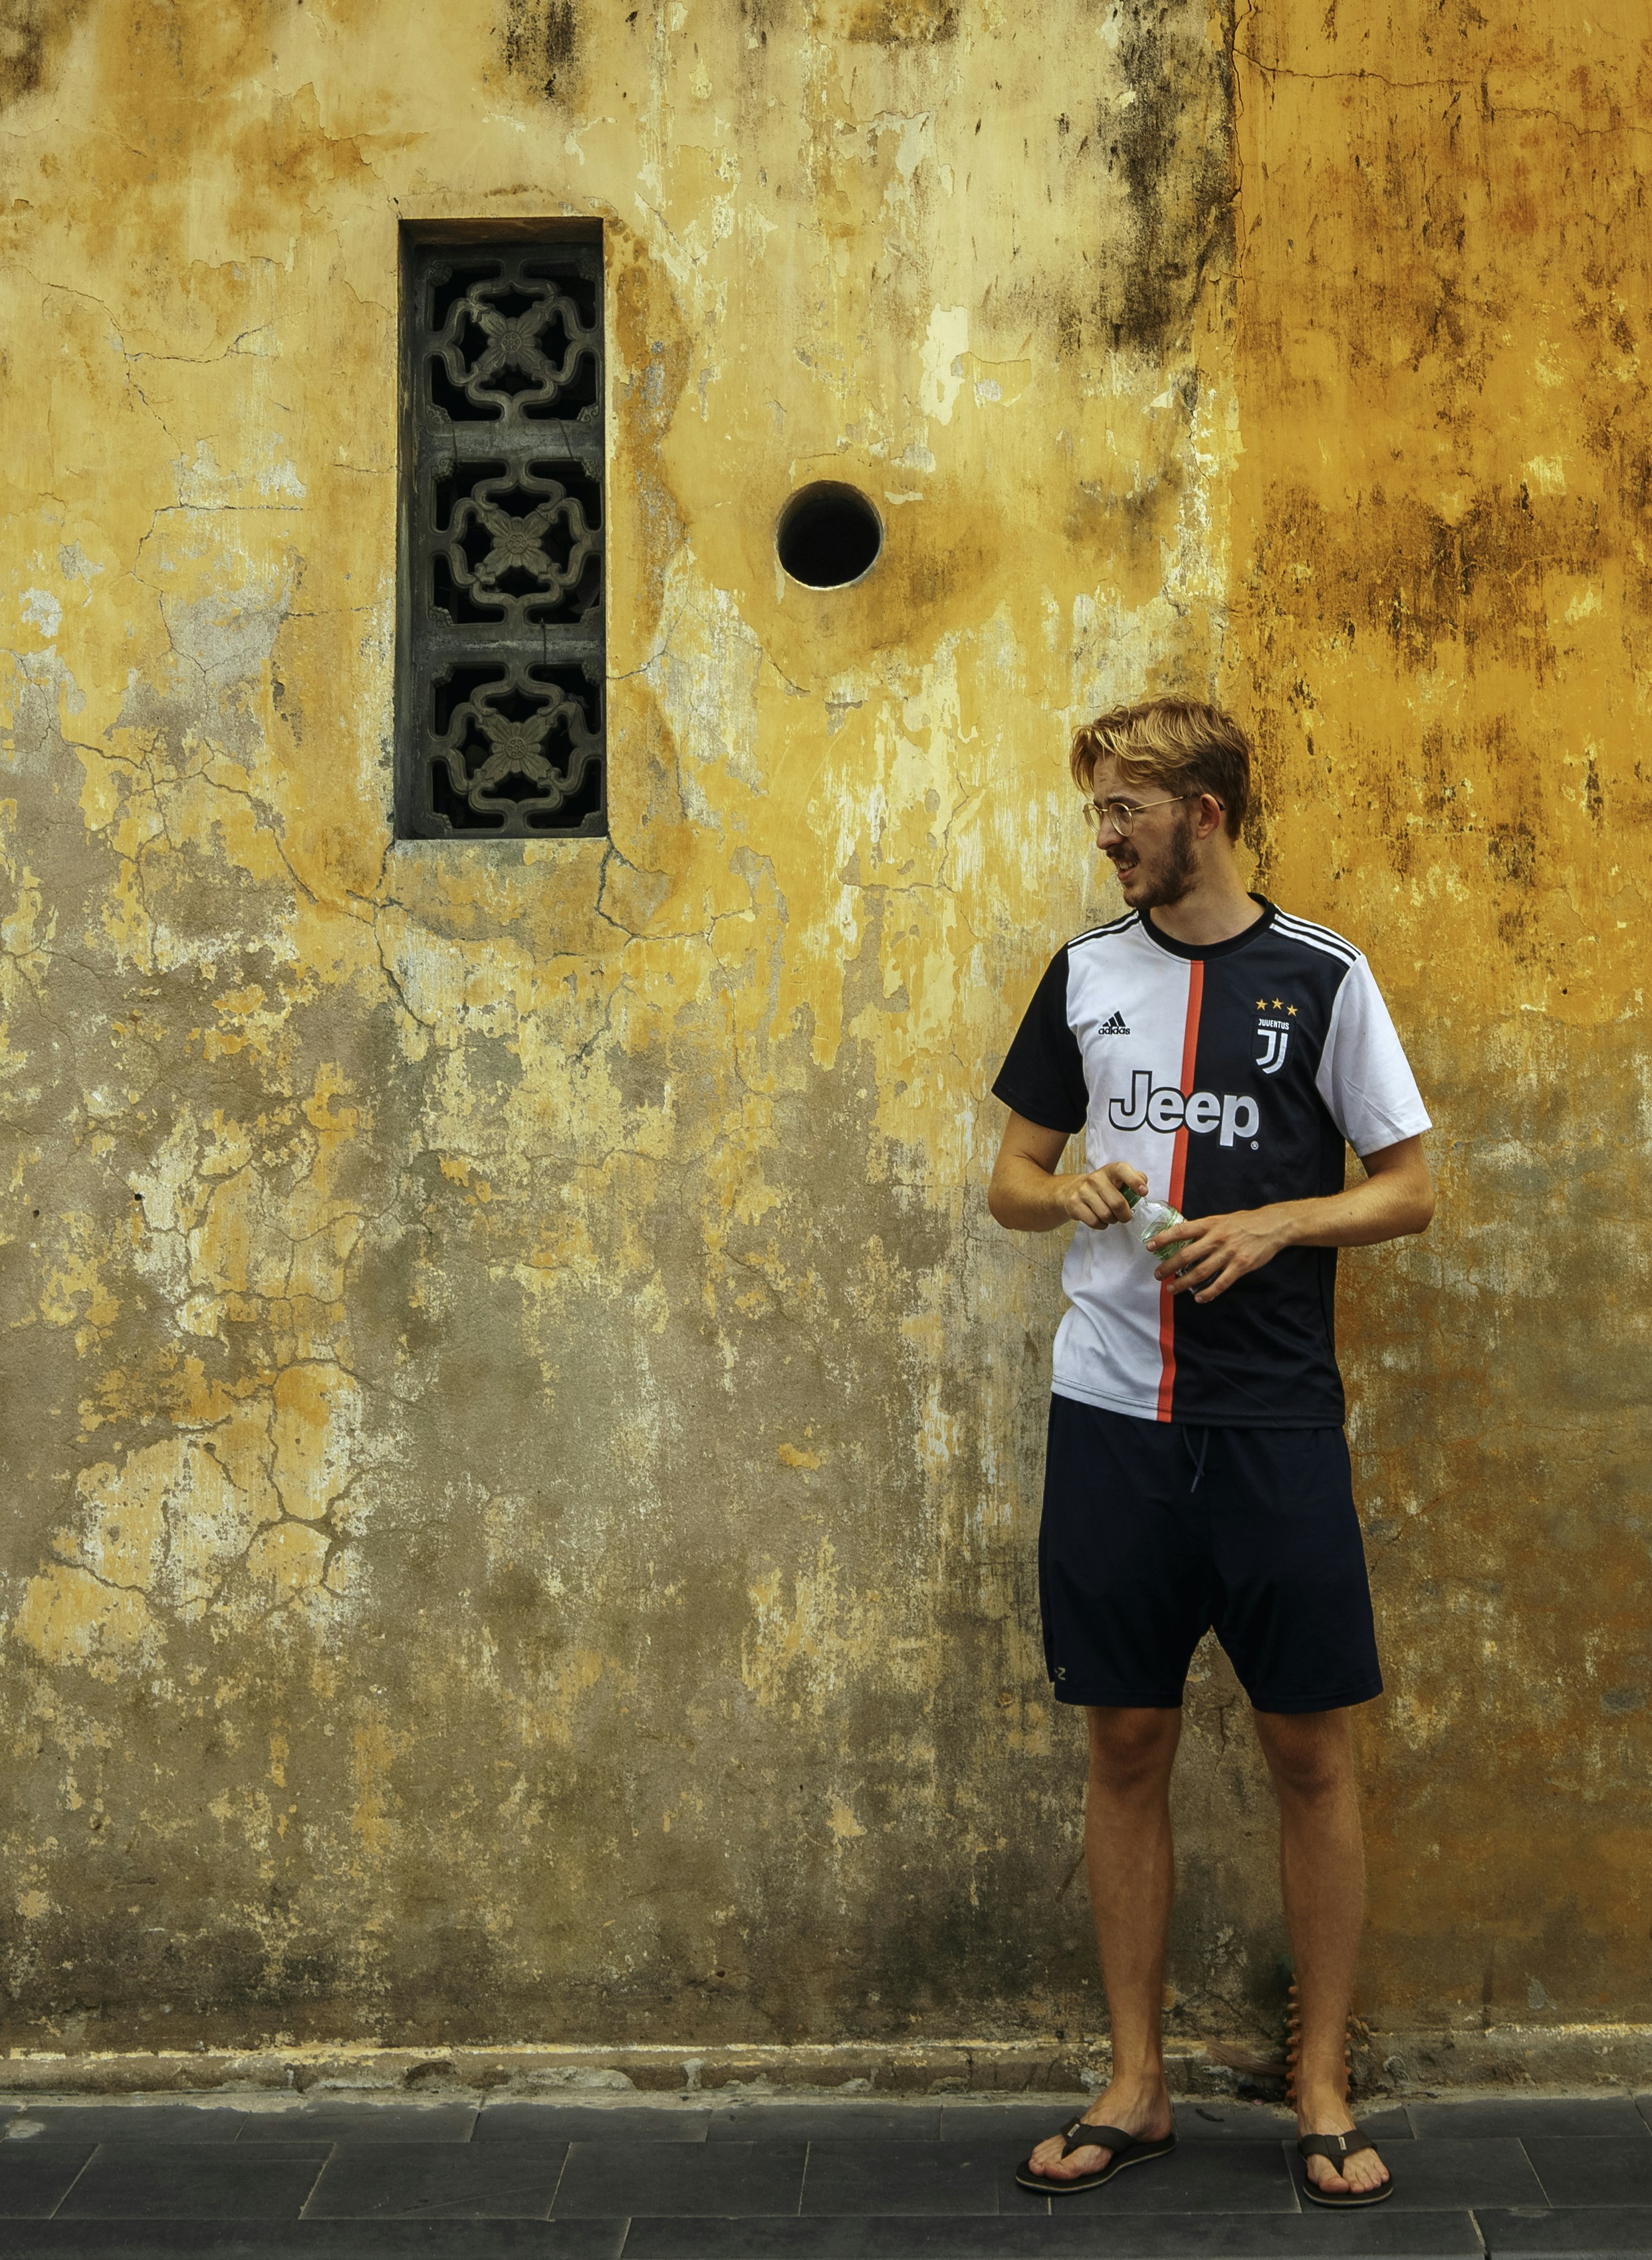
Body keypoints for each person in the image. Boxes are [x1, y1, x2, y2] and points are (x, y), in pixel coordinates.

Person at [988, 697, 1433, 2209]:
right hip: (1112, 1417)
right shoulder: (1083, 974)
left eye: (1126, 808)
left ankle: (1321, 2088)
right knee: (1125, 1742)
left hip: (1274, 1422)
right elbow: (1008, 1175)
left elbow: (1408, 1188)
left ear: (1207, 812)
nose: (1104, 835)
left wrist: (1277, 1223)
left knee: (1310, 1750)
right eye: (1097, 810)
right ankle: (1136, 2083)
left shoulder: (1323, 975)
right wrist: (1065, 1194)